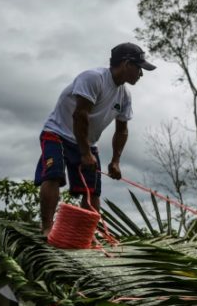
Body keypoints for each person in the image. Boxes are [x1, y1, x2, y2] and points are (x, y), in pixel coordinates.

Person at [34, 42, 156, 237]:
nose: (141, 74)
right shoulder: (93, 78)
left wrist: (115, 160)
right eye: (139, 68)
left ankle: (85, 235)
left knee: (92, 190)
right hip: (58, 132)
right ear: (126, 64)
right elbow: (79, 115)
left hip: (88, 142)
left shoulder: (125, 95)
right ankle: (47, 227)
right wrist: (84, 153)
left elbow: (122, 130)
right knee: (54, 175)